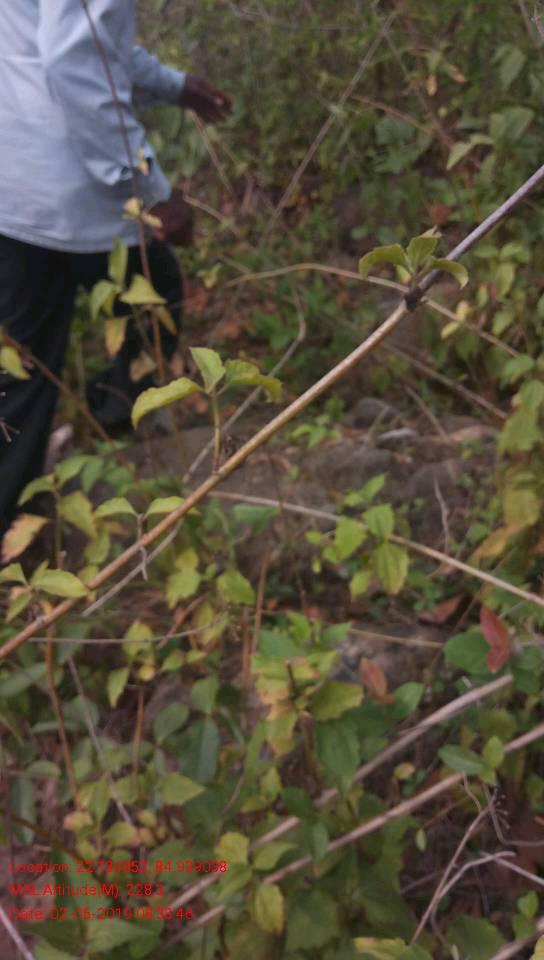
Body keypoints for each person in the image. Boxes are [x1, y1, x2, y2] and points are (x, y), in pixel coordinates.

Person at [0, 0, 231, 539]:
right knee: (151, 294)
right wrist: (146, 187)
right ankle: (115, 422)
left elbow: (90, 43)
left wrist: (173, 85)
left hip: (16, 180)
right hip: (66, 185)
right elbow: (72, 58)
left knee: (23, 369)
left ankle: (101, 429)